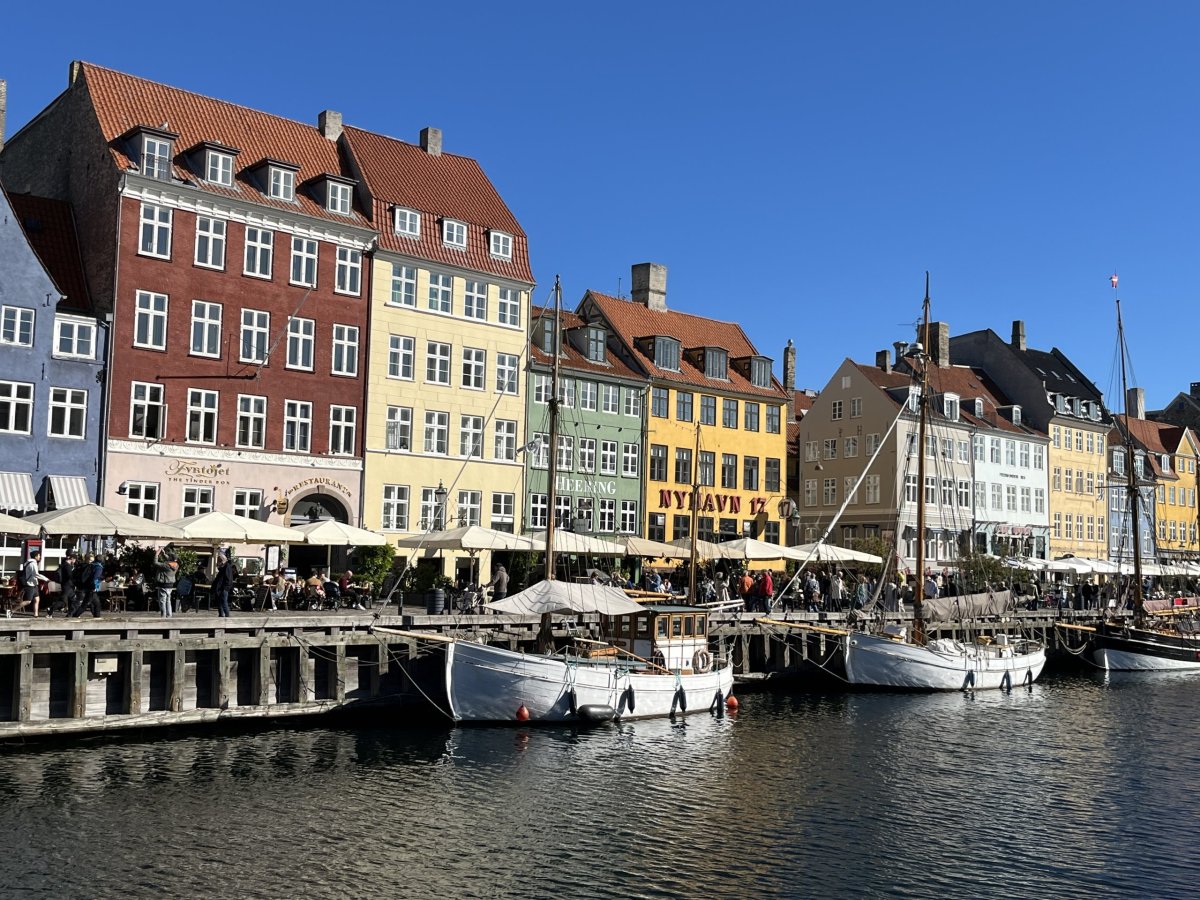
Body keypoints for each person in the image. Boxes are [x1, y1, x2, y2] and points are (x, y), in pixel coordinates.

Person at [14, 550, 43, 618]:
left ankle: (36, 614)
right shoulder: (32, 563)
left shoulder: (30, 562)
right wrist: (47, 579)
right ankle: (12, 610)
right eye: (39, 555)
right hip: (30, 584)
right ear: (35, 556)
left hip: (34, 583)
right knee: (28, 601)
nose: (40, 557)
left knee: (37, 599)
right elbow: (36, 574)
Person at [154, 543, 179, 617]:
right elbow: (169, 560)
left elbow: (155, 563)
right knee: (168, 601)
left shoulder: (165, 565)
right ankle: (169, 615)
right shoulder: (176, 565)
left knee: (162, 601)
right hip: (170, 585)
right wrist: (163, 554)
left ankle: (163, 616)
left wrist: (157, 554)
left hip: (163, 585)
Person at [211, 552, 235, 617]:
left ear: (222, 560)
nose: (217, 562)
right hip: (220, 588)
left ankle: (227, 616)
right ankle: (221, 615)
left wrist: (225, 589)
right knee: (220, 603)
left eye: (218, 560)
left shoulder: (227, 567)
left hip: (223, 588)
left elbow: (228, 579)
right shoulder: (224, 567)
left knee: (224, 602)